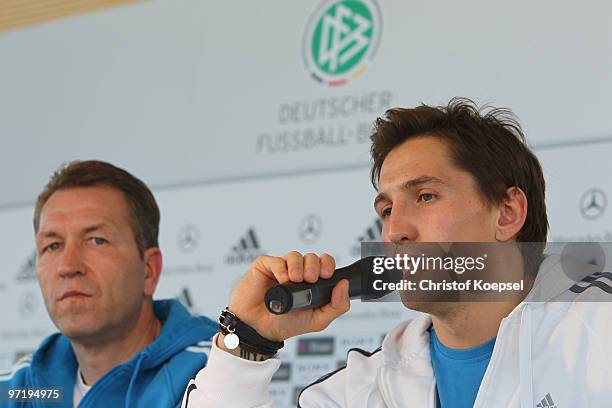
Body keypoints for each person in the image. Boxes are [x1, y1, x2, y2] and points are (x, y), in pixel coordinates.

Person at [181, 98, 612, 408]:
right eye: (386, 209)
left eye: (425, 196)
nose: (394, 230)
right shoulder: (361, 390)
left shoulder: (597, 338)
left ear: (507, 212)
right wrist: (248, 342)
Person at [0, 161, 217, 407]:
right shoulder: (15, 391)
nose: (68, 266)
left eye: (96, 240)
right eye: (53, 246)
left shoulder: (216, 374)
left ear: (149, 271)